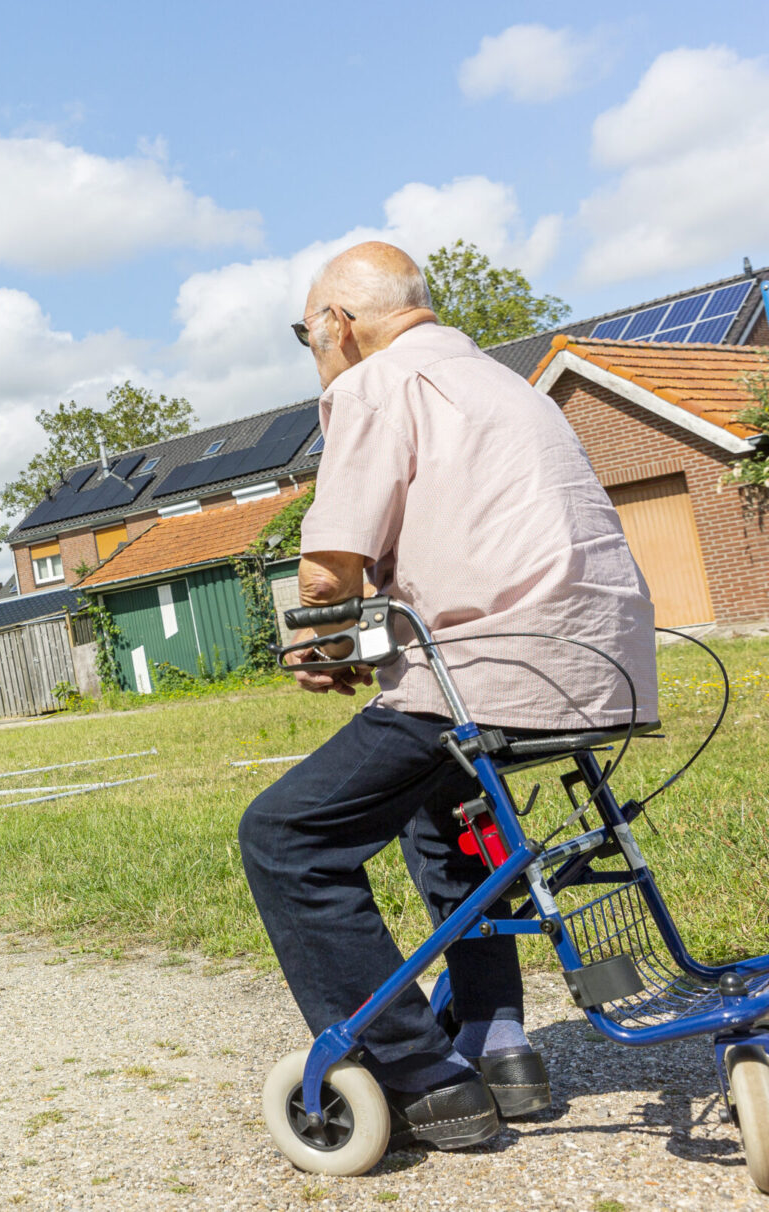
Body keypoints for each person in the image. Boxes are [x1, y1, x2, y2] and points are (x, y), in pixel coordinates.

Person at [237, 242, 658, 1150]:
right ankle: (496, 1038)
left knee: (286, 837)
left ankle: (421, 1074)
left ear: (336, 325)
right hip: (600, 670)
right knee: (447, 812)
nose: (315, 351)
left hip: (483, 675)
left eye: (307, 334)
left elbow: (325, 571)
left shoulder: (374, 383)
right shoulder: (510, 384)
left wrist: (324, 650)